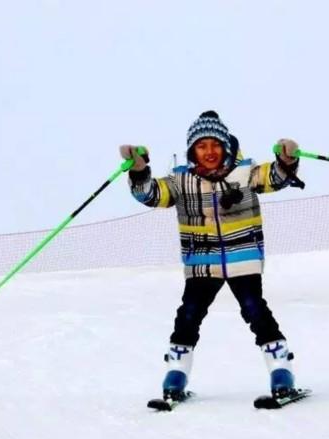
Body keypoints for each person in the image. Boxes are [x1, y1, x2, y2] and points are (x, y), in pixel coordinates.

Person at [120, 110, 302, 400]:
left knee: (255, 310)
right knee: (189, 315)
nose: (209, 152)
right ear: (193, 150)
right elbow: (150, 195)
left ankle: (281, 369)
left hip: (243, 257)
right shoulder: (182, 182)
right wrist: (139, 169)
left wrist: (287, 158)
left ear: (226, 146)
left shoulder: (245, 174)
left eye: (215, 145)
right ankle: (176, 373)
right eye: (202, 146)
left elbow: (276, 177)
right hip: (201, 262)